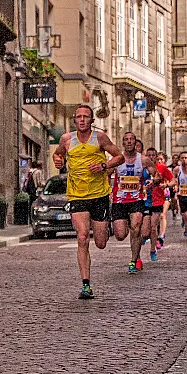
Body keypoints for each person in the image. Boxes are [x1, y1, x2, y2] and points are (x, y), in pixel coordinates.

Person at [52, 105, 124, 299]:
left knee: (100, 242)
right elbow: (58, 154)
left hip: (99, 195)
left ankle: (104, 228)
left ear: (92, 120)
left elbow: (119, 157)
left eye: (86, 117)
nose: (82, 120)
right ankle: (86, 285)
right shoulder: (67, 139)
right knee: (82, 237)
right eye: (79, 117)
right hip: (77, 195)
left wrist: (103, 165)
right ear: (74, 120)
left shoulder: (99, 138)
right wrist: (58, 161)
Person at [110, 132, 155, 274]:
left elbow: (157, 176)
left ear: (135, 142)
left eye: (132, 139)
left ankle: (133, 261)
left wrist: (152, 182)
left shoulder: (144, 160)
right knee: (120, 235)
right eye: (126, 140)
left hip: (137, 200)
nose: (129, 142)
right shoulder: (116, 159)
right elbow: (105, 174)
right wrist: (108, 190)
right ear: (123, 143)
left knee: (136, 229)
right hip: (119, 201)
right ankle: (131, 234)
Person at [144, 147, 175, 260]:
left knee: (153, 227)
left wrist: (166, 185)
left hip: (157, 201)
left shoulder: (161, 167)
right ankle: (145, 237)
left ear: (156, 157)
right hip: (144, 201)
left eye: (153, 155)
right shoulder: (142, 167)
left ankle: (153, 250)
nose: (151, 157)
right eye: (149, 155)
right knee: (144, 229)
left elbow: (173, 181)